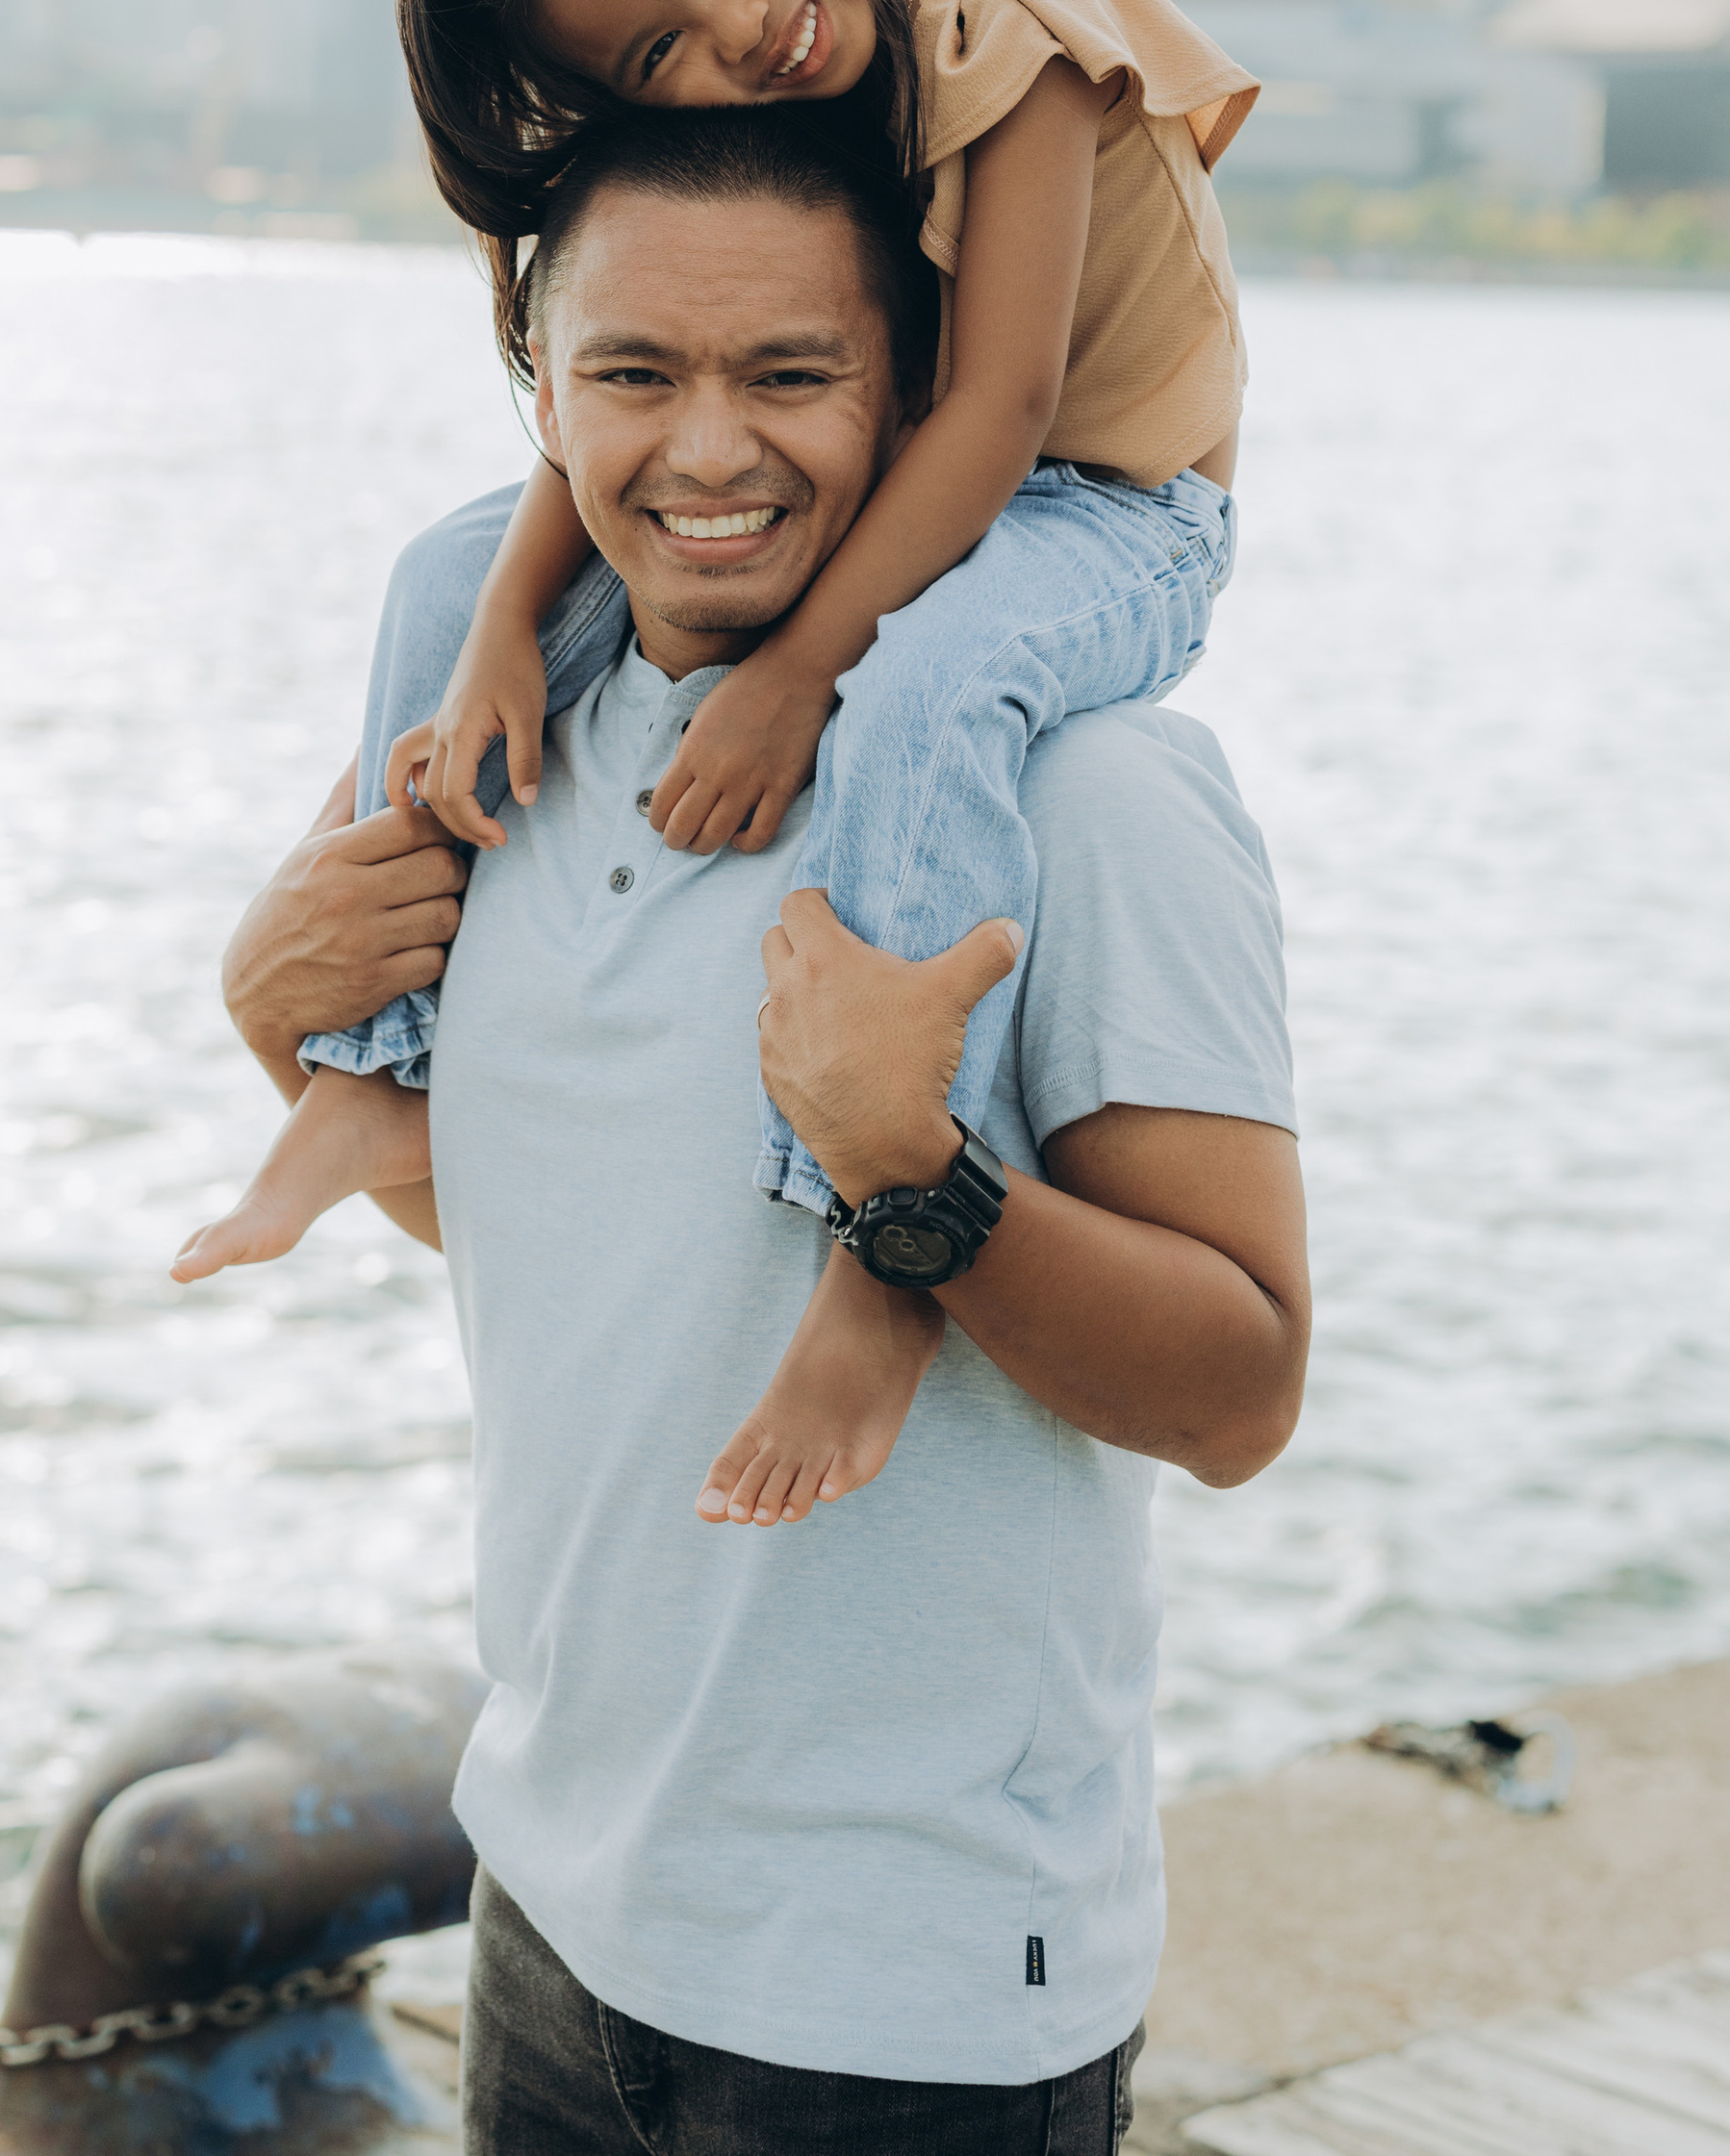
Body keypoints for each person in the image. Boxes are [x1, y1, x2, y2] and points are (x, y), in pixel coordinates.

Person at [216, 107, 1308, 2147]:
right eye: (631, 374)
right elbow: (568, 1241)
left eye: (789, 376)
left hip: (906, 2002)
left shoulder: (1092, 796)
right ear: (541, 391)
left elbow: (1236, 1394)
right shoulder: (524, 735)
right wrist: (285, 1031)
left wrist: (919, 1181)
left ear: (915, 399)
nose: (705, 452)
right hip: (549, 1901)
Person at [177, 0, 1259, 1520]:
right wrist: (504, 635)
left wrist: (783, 681)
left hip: (1112, 506)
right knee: (446, 579)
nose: (738, 27)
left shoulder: (999, 18)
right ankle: (382, 1072)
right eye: (659, 54)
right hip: (928, 472)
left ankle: (873, 1252)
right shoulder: (793, 105)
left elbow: (993, 414)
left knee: (933, 682)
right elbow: (637, 393)